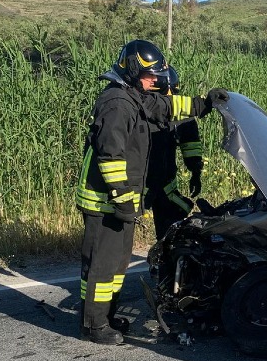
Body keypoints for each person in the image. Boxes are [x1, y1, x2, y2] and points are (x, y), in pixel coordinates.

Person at [75, 39, 226, 344]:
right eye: (150, 75)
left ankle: (105, 316)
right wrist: (120, 198)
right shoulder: (117, 103)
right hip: (106, 200)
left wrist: (206, 104)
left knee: (116, 266)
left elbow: (172, 107)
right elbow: (110, 155)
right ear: (132, 69)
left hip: (120, 200)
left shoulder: (136, 96)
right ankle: (93, 326)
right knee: (103, 265)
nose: (155, 81)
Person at [145, 65, 207, 241]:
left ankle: (168, 261)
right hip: (145, 183)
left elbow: (191, 144)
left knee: (169, 231)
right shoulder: (143, 109)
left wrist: (196, 171)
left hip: (163, 184)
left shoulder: (182, 112)